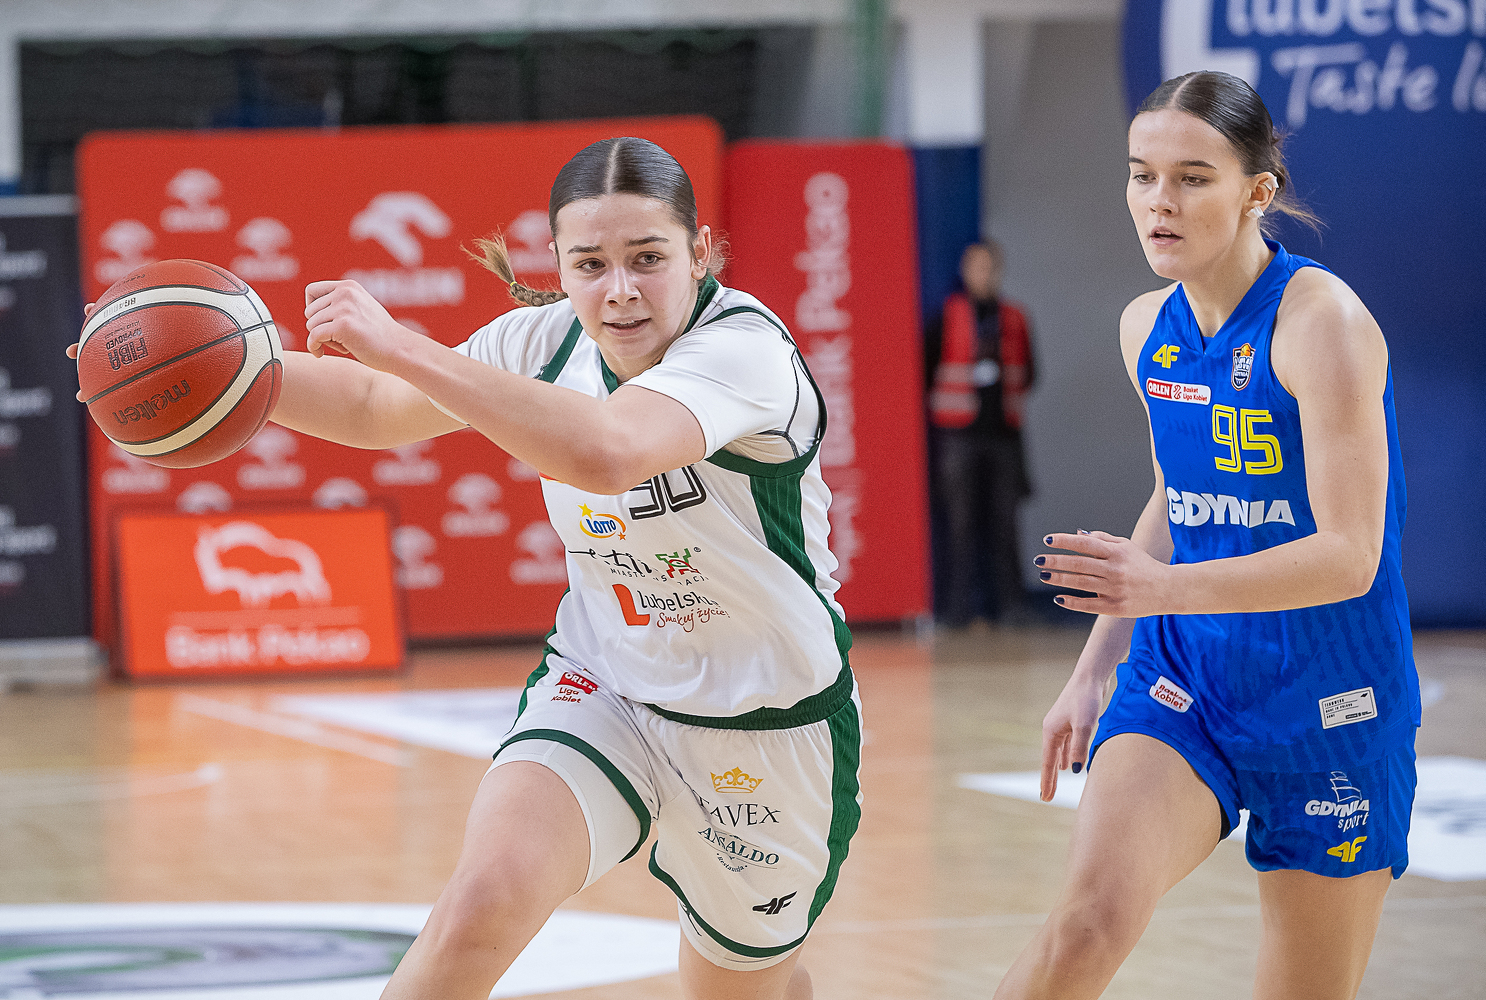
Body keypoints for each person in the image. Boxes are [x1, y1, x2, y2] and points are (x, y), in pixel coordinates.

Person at [114, 137, 858, 1000]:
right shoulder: (540, 339)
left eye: (648, 258)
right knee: (480, 905)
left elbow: (608, 451)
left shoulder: (745, 350)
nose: (619, 289)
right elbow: (373, 406)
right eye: (590, 264)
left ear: (699, 252)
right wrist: (207, 363)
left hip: (766, 719)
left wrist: (402, 346)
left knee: (739, 988)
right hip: (607, 684)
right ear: (561, 265)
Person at [994, 72, 1419, 1000]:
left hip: (1330, 698)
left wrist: (1165, 589)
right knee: (1085, 925)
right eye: (1142, 175)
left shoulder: (1324, 325)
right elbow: (1177, 499)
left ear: (1257, 191)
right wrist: (1095, 665)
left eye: (1192, 178)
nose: (1160, 201)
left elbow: (1351, 555)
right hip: (1185, 677)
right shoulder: (1146, 327)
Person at [926, 240, 1035, 626]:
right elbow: (927, 370)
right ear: (965, 271)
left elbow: (1030, 372)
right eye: (976, 267)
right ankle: (957, 610)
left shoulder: (1015, 317)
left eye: (989, 267)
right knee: (960, 523)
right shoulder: (947, 315)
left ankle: (1010, 607)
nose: (983, 275)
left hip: (1004, 435)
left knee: (1006, 523)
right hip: (958, 436)